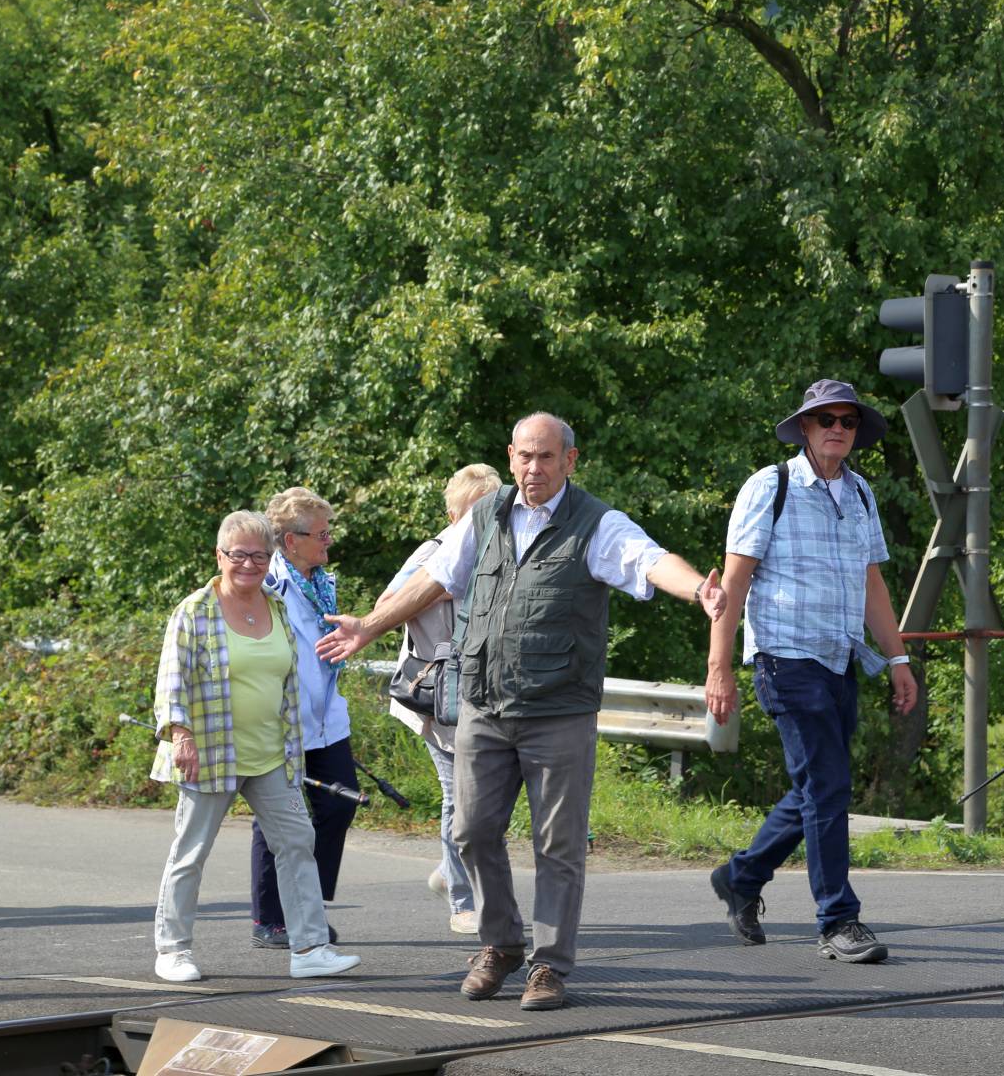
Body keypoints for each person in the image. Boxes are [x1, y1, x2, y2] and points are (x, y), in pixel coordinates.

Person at [318, 412, 726, 1012]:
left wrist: (698, 590)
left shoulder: (596, 523)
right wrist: (369, 626)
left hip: (558, 708)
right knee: (470, 831)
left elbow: (647, 560)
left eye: (546, 457)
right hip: (483, 703)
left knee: (557, 844)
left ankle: (550, 966)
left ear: (570, 459)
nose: (534, 469)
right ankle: (501, 943)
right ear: (510, 458)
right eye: (525, 457)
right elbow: (432, 580)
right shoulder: (485, 517)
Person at [703, 379, 919, 964]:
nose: (837, 429)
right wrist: (719, 667)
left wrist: (897, 658)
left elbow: (873, 583)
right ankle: (838, 921)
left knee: (817, 786)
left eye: (847, 421)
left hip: (840, 658)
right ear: (804, 427)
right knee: (826, 786)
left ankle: (741, 878)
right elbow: (733, 584)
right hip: (783, 656)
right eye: (825, 419)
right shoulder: (769, 486)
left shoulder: (862, 494)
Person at [151, 510, 360, 983]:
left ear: (271, 558)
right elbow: (171, 683)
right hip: (211, 753)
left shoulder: (278, 606)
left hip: (272, 754)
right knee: (190, 852)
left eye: (259, 556)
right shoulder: (194, 611)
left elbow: (290, 681)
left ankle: (309, 948)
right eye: (238, 555)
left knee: (297, 843)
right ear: (219, 556)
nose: (248, 564)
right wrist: (180, 735)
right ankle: (173, 949)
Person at [377, 463, 503, 935]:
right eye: (471, 512)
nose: (479, 522)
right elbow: (387, 605)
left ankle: (450, 869)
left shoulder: (502, 553)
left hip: (487, 694)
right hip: (439, 698)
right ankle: (462, 901)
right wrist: (441, 590)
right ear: (453, 514)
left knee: (489, 798)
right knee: (458, 797)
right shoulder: (432, 553)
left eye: (488, 511)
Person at [248, 488, 359, 950]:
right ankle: (271, 918)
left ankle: (307, 901)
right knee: (277, 818)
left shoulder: (320, 580)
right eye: (321, 534)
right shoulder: (269, 586)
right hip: (285, 720)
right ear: (290, 541)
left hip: (326, 719)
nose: (328, 543)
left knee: (341, 803)